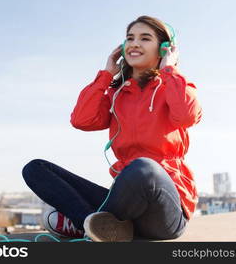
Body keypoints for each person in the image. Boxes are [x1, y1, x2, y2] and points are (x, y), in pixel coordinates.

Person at [22, 15, 202, 242]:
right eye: (130, 38)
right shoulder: (117, 94)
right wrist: (107, 74)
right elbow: (81, 120)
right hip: (125, 206)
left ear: (163, 49)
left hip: (163, 211)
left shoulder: (173, 86)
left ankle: (87, 224)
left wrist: (169, 69)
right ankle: (93, 224)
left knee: (143, 167)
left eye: (145, 38)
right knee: (35, 169)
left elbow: (187, 115)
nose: (134, 44)